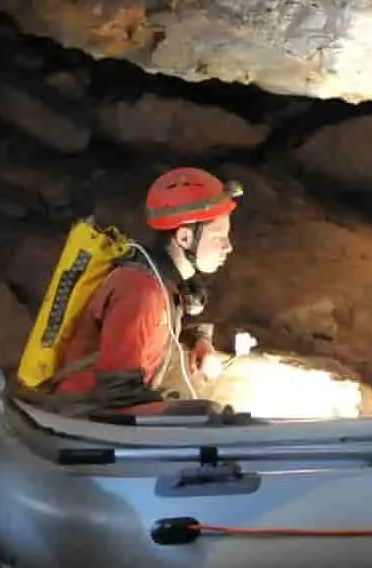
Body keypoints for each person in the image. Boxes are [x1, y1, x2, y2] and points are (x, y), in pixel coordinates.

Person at [51, 167, 247, 400]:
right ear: (184, 237)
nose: (228, 247)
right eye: (218, 237)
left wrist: (200, 341)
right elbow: (118, 393)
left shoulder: (164, 281)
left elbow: (160, 326)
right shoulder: (142, 292)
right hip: (83, 415)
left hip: (103, 409)